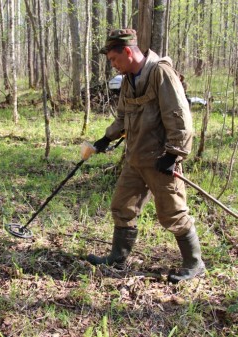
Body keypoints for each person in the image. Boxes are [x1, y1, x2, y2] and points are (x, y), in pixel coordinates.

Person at [87, 28, 205, 283]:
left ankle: (195, 264)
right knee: (122, 207)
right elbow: (122, 116)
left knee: (172, 213)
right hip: (135, 159)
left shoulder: (160, 73)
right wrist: (107, 137)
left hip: (160, 159)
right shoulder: (129, 78)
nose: (113, 65)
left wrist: (174, 154)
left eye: (114, 59)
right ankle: (118, 256)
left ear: (128, 52)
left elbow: (180, 117)